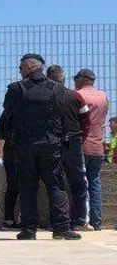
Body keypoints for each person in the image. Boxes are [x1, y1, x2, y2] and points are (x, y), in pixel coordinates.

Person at [0, 54, 78, 240]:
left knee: (27, 186)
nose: (20, 72)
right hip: (51, 145)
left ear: (28, 67)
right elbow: (64, 114)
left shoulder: (16, 89)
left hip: (25, 145)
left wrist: (7, 135)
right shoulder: (57, 88)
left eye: (21, 68)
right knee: (56, 185)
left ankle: (29, 230)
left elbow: (8, 113)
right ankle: (61, 228)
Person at [48, 65, 90, 230]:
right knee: (78, 182)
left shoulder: (45, 97)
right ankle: (79, 220)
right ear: (64, 79)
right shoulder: (74, 95)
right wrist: (80, 137)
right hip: (73, 142)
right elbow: (86, 119)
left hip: (52, 143)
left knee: (54, 182)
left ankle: (57, 221)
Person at [74, 69, 109, 229]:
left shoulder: (77, 95)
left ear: (82, 79)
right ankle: (96, 221)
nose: (74, 81)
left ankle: (81, 220)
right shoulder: (103, 96)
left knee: (79, 183)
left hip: (81, 145)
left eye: (76, 78)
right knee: (94, 182)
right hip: (98, 145)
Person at [0, 108, 20, 228]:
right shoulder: (33, 107)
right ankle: (22, 218)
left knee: (13, 185)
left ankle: (10, 219)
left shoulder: (8, 111)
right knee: (23, 185)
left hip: (13, 151)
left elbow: (0, 133)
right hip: (21, 150)